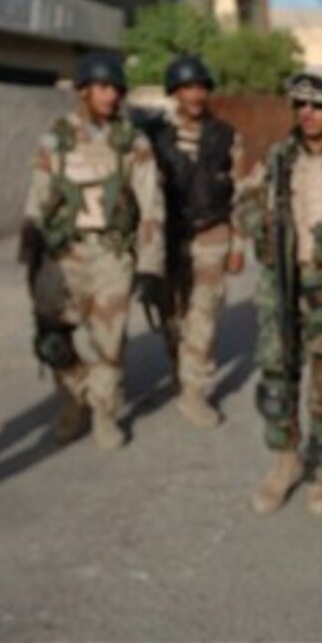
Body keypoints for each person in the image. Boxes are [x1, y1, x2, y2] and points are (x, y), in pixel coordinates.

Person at [236, 67, 322, 517]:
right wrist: (260, 225)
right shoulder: (280, 156)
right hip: (282, 284)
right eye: (301, 104)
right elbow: (245, 199)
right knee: (277, 375)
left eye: (319, 105)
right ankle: (285, 461)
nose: (308, 113)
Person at [19, 52, 165, 449]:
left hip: (111, 254)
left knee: (109, 342)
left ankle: (104, 413)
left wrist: (150, 263)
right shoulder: (56, 138)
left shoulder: (131, 140)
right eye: (103, 87)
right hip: (62, 253)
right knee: (52, 340)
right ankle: (74, 401)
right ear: (83, 90)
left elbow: (151, 205)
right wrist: (30, 249)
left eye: (116, 88)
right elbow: (38, 196)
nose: (111, 95)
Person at [141, 54, 246, 428]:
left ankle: (194, 392)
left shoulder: (226, 136)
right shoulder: (153, 138)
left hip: (212, 236)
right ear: (175, 92)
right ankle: (181, 370)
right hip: (167, 240)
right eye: (187, 87)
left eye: (201, 86)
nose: (195, 94)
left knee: (203, 317)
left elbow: (242, 193)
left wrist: (238, 244)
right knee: (172, 318)